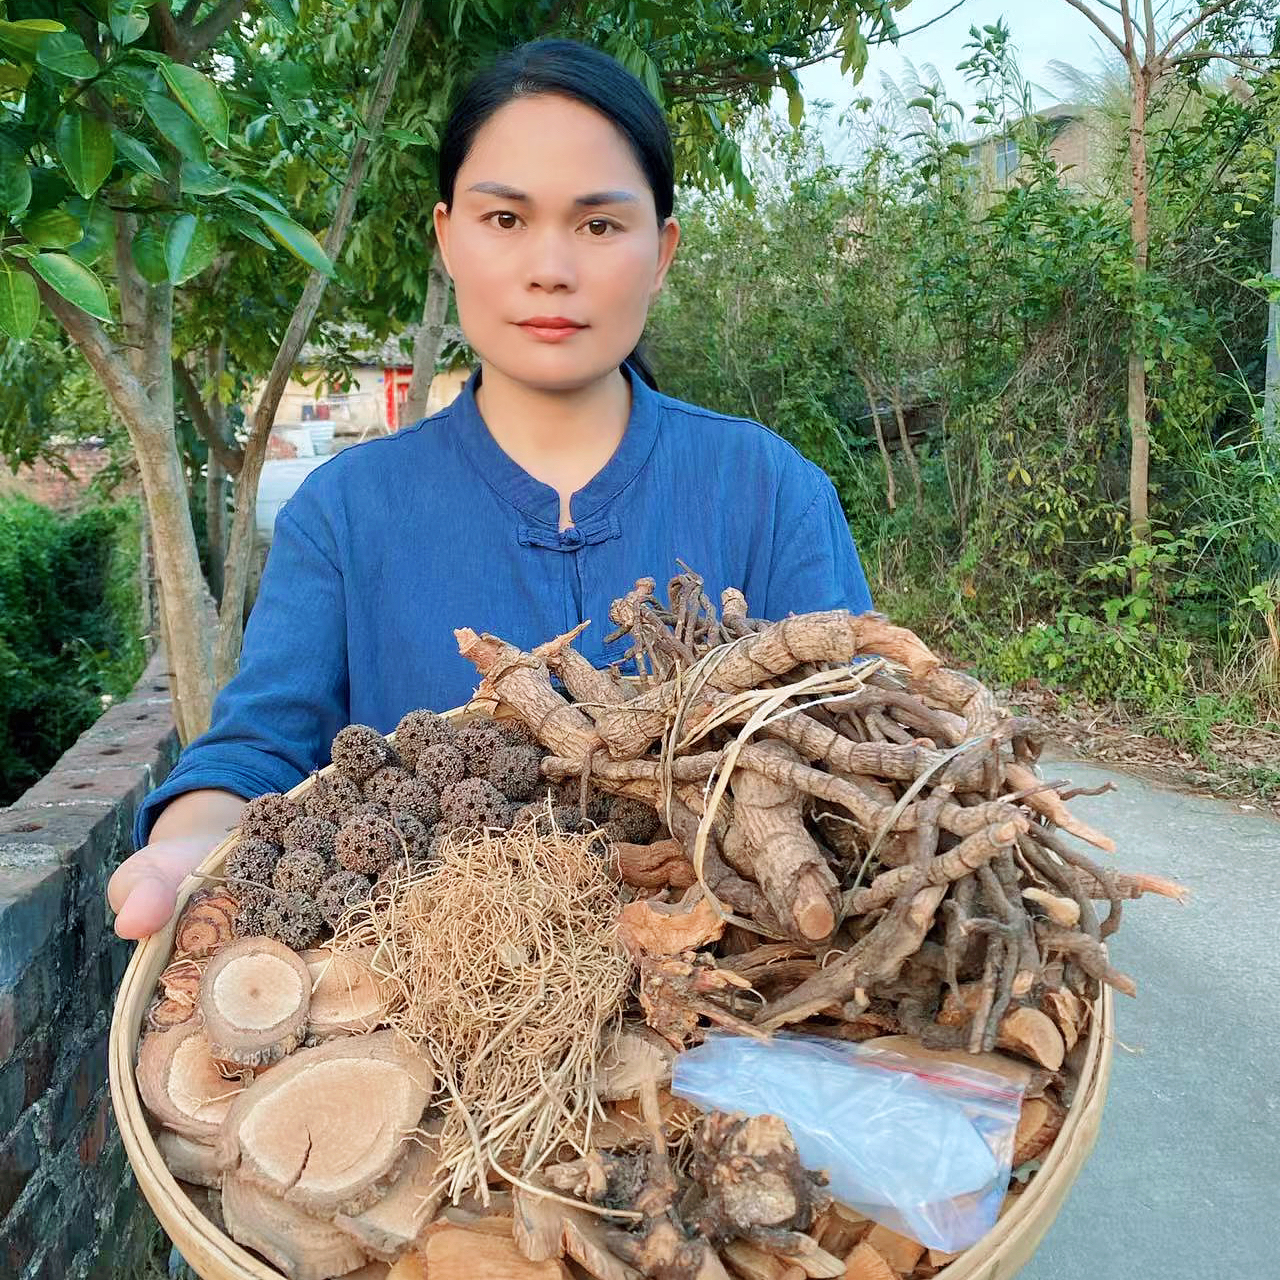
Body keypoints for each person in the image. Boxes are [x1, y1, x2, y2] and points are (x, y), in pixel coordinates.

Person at [107, 37, 873, 941]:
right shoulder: (347, 516)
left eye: (598, 224)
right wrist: (184, 848)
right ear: (446, 238)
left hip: (735, 1016)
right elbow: (259, 753)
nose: (550, 266)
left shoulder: (771, 492)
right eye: (505, 219)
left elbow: (855, 753)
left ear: (660, 251)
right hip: (432, 1034)